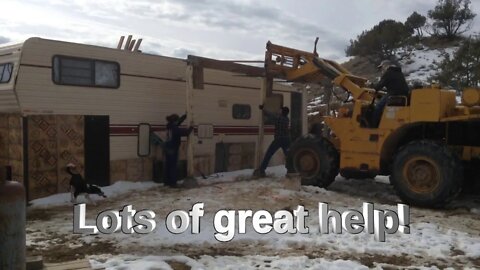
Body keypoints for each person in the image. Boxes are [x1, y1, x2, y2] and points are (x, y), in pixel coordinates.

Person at [254, 105, 291, 177]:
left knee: (269, 154)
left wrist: (263, 108)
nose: (279, 111)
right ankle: (292, 170)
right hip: (286, 139)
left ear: (282, 112)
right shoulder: (287, 119)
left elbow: (270, 114)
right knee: (288, 156)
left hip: (278, 139)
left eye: (281, 110)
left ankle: (262, 170)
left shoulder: (279, 118)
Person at [371, 60, 409, 127]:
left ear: (386, 66)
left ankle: (373, 125)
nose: (382, 70)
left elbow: (378, 87)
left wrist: (371, 85)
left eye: (382, 67)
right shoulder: (398, 73)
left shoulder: (388, 73)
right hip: (403, 94)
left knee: (378, 107)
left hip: (394, 95)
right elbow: (395, 84)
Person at [164, 113, 194, 188]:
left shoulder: (169, 126)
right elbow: (186, 133)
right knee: (173, 166)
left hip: (167, 148)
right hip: (173, 149)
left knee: (168, 165)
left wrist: (184, 116)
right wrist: (191, 127)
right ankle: (173, 183)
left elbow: (178, 122)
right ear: (175, 121)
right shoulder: (174, 128)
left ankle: (167, 182)